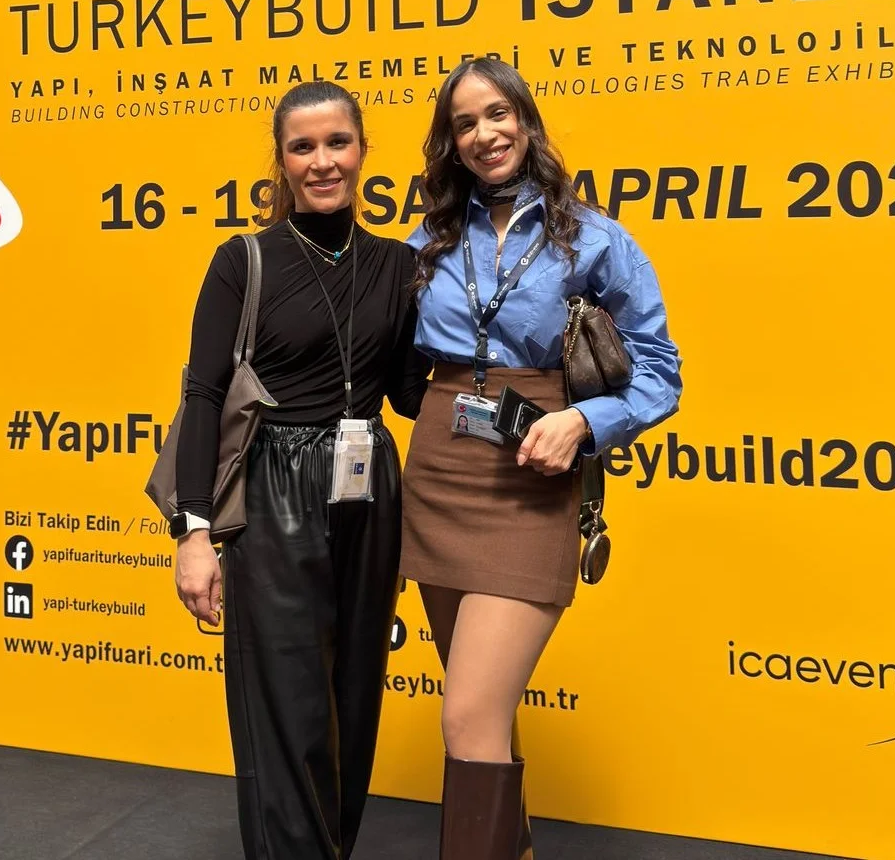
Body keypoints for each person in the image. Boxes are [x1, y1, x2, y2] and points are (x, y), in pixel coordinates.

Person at [403, 58, 682, 858]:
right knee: (485, 713)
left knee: (466, 716)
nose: (484, 134)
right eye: (464, 123)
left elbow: (660, 372)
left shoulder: (594, 237)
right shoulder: (428, 242)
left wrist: (586, 421)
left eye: (497, 114)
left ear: (525, 122)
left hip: (533, 476)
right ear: (450, 143)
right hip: (440, 472)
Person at [170, 80, 427, 859]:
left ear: (363, 150)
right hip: (274, 485)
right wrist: (193, 531)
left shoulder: (399, 264)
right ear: (281, 161)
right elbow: (203, 394)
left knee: (354, 695)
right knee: (286, 703)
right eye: (302, 147)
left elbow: (410, 395)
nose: (322, 162)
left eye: (337, 142)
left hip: (369, 486)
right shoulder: (243, 260)